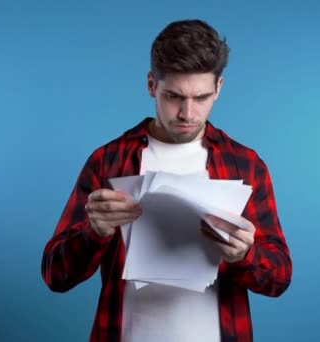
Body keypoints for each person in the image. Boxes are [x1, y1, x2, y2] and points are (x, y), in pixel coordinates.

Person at [41, 19, 292, 342]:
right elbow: (55, 276)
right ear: (151, 85)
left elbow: (280, 278)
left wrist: (245, 256)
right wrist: (95, 233)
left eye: (201, 98)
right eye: (174, 96)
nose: (187, 113)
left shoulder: (245, 165)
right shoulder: (108, 161)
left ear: (219, 88)